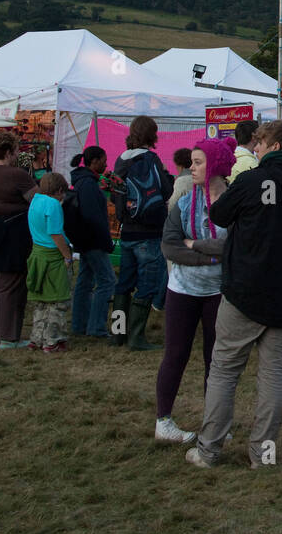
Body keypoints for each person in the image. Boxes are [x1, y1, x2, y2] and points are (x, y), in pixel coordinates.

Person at [185, 118, 282, 470]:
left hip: (246, 289)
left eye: (260, 143)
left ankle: (209, 450)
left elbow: (220, 213)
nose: (255, 148)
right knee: (273, 374)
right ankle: (264, 456)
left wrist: (216, 190)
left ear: (274, 147)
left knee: (225, 370)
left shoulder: (253, 180)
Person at [156, 138, 232, 443]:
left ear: (214, 165)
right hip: (182, 291)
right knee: (175, 353)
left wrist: (196, 246)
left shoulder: (233, 204)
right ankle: (163, 421)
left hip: (220, 292)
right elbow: (169, 247)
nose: (191, 167)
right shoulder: (185, 200)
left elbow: (236, 246)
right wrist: (213, 256)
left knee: (216, 360)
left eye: (198, 162)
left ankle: (214, 425)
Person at [111, 115, 173, 352]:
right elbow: (165, 191)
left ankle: (118, 334)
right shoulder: (151, 159)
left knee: (123, 284)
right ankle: (137, 337)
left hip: (127, 230)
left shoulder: (121, 160)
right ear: (152, 134)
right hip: (149, 232)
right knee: (146, 284)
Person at [0, 131, 36, 349]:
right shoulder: (17, 175)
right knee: (10, 286)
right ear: (8, 152)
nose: (17, 154)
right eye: (16, 150)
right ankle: (8, 337)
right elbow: (37, 201)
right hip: (11, 233)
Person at [68, 146, 115, 339]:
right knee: (107, 281)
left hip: (84, 239)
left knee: (85, 282)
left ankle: (80, 325)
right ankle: (96, 327)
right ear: (94, 161)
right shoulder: (88, 184)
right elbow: (93, 216)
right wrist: (105, 240)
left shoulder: (83, 181)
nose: (106, 163)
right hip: (93, 240)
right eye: (104, 160)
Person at [26, 172, 73, 353]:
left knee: (41, 302)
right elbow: (55, 233)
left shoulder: (35, 200)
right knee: (57, 301)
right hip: (53, 256)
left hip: (37, 253)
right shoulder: (53, 204)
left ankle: (36, 338)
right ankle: (52, 340)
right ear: (59, 191)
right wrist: (67, 256)